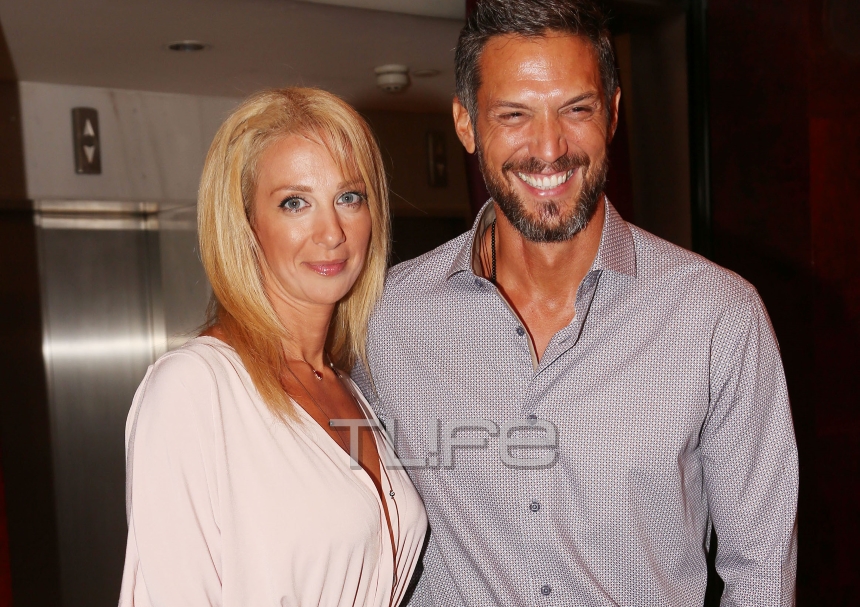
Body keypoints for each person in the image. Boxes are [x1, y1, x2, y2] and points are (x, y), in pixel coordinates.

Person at [351, 1, 798, 605]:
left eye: (576, 109)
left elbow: (761, 568)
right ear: (466, 123)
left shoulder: (718, 317)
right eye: (514, 114)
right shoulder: (386, 318)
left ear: (612, 113)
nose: (549, 147)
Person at [119, 87, 427, 607]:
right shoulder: (194, 389)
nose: (331, 232)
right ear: (245, 225)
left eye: (349, 197)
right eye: (294, 203)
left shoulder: (350, 388)